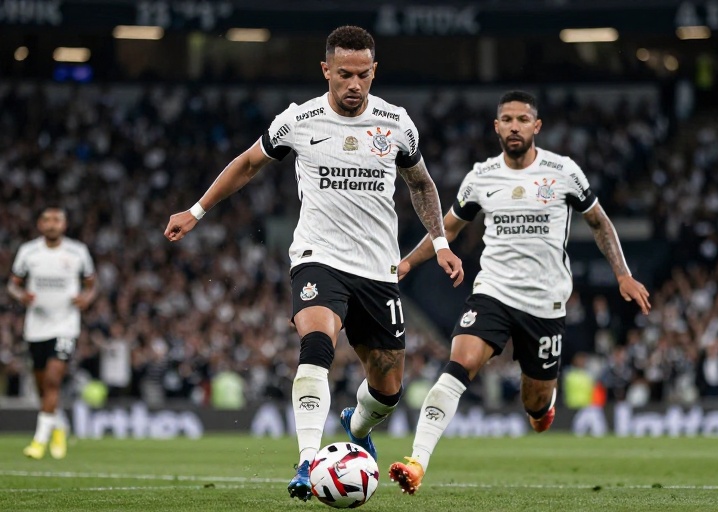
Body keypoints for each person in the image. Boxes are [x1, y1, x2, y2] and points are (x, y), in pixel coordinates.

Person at [162, 25, 463, 501]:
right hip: (317, 258)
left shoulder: (396, 123)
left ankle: (355, 424)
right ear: (326, 70)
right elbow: (248, 163)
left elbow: (421, 184)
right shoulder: (299, 120)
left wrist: (440, 242)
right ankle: (306, 462)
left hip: (377, 269)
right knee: (317, 343)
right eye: (344, 74)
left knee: (388, 388)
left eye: (362, 74)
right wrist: (196, 211)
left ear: (374, 71)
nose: (353, 84)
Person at [388, 91, 651, 494]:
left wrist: (623, 275)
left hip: (545, 304)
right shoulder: (481, 177)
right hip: (493, 292)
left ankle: (543, 406)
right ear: (496, 127)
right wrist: (407, 263)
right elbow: (448, 228)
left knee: (535, 406)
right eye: (507, 119)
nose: (515, 126)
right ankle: (417, 462)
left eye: (523, 119)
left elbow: (599, 222)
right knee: (459, 363)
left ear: (536, 126)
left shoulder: (563, 172)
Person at [8, 207, 97, 459]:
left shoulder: (77, 252)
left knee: (53, 380)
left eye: (57, 220)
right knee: (41, 387)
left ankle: (39, 441)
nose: (52, 224)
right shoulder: (28, 252)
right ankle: (58, 426)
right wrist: (20, 295)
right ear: (40, 224)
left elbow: (91, 284)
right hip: (36, 327)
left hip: (65, 325)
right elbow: (12, 285)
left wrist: (87, 298)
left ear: (64, 225)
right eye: (47, 220)